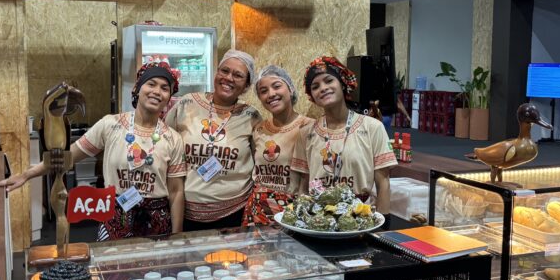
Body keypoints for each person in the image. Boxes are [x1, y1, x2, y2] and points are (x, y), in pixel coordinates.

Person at [0, 62, 186, 239]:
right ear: (137, 88)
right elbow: (66, 158)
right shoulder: (111, 125)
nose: (157, 92)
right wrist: (26, 175)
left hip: (157, 222)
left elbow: (176, 192)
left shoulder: (173, 139)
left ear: (169, 97)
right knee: (112, 273)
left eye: (164, 88)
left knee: (154, 274)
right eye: (151, 84)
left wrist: (176, 238)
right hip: (115, 218)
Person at [166, 49, 262, 231]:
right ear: (216, 72)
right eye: (224, 71)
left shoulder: (251, 116)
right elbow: (164, 143)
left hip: (234, 214)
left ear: (247, 86)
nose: (229, 78)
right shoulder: (188, 103)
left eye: (238, 75)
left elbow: (261, 159)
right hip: (184, 212)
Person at [292, 56, 396, 214]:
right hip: (318, 220)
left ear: (343, 84)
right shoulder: (306, 133)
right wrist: (301, 220)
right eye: (315, 86)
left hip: (360, 217)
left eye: (329, 81)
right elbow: (303, 186)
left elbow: (383, 183)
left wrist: (381, 230)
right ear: (311, 96)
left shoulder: (372, 127)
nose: (323, 88)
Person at [242, 65, 313, 226]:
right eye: (263, 91)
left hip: (293, 211)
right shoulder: (258, 130)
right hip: (258, 211)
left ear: (291, 89)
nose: (271, 94)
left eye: (276, 86)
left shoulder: (309, 128)